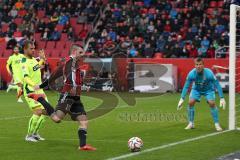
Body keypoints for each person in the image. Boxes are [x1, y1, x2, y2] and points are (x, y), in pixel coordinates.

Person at [28, 44, 96, 151]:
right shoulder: (68, 62)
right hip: (67, 95)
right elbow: (56, 77)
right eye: (80, 53)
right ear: (74, 52)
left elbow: (63, 77)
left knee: (83, 121)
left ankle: (82, 146)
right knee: (57, 119)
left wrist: (82, 86)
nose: (82, 55)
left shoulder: (75, 64)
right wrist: (40, 87)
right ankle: (40, 98)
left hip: (76, 98)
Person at [177, 58, 226, 131]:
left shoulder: (209, 73)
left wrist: (222, 97)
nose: (198, 66)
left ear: (203, 65)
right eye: (197, 64)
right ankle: (191, 123)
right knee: (190, 102)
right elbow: (186, 86)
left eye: (200, 64)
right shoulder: (191, 74)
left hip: (208, 90)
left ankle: (217, 124)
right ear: (195, 65)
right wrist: (182, 98)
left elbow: (217, 84)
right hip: (196, 89)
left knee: (211, 103)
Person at [21, 41, 48, 142]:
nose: (33, 50)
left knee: (46, 112)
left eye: (34, 48)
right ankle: (28, 135)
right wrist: (34, 85)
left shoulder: (33, 59)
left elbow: (40, 66)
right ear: (25, 49)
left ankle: (35, 133)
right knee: (38, 111)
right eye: (31, 49)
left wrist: (43, 58)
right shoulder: (23, 62)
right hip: (30, 90)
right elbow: (26, 77)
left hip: (39, 89)